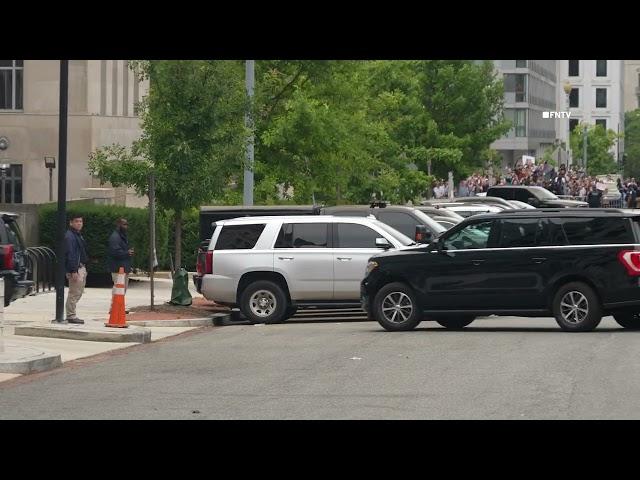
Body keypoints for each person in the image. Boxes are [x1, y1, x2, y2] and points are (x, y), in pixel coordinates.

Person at [64, 214, 89, 324]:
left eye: (81, 221)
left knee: (78, 291)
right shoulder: (70, 236)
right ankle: (71, 315)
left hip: (80, 267)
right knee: (74, 292)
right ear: (71, 223)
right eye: (77, 221)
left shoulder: (77, 235)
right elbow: (71, 254)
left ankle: (71, 314)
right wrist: (73, 270)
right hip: (76, 269)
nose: (79, 223)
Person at [108, 218, 134, 303]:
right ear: (119, 225)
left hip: (123, 266)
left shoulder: (121, 236)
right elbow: (115, 252)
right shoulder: (115, 237)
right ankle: (114, 307)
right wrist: (127, 253)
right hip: (118, 267)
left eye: (127, 224)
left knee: (122, 288)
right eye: (124, 224)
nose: (126, 226)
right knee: (118, 287)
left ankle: (119, 307)